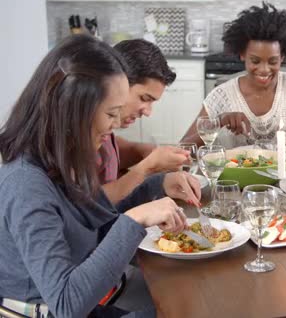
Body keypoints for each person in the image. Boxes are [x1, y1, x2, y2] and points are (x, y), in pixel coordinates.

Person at [0, 35, 200, 318]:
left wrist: (158, 183)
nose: (117, 124)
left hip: (83, 307)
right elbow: (68, 305)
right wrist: (134, 219)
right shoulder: (25, 185)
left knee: (191, 306)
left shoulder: (61, 158)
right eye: (111, 114)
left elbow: (90, 216)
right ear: (75, 110)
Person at [181, 2, 286, 148]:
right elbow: (184, 147)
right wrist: (219, 122)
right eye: (255, 61)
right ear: (242, 55)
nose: (264, 69)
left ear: (282, 57)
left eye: (273, 61)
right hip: (237, 185)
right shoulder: (221, 96)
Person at [100, 39, 192, 204]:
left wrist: (146, 151)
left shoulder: (104, 130)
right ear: (119, 83)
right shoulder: (77, 131)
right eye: (144, 98)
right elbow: (87, 207)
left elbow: (111, 153)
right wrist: (148, 167)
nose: (148, 112)